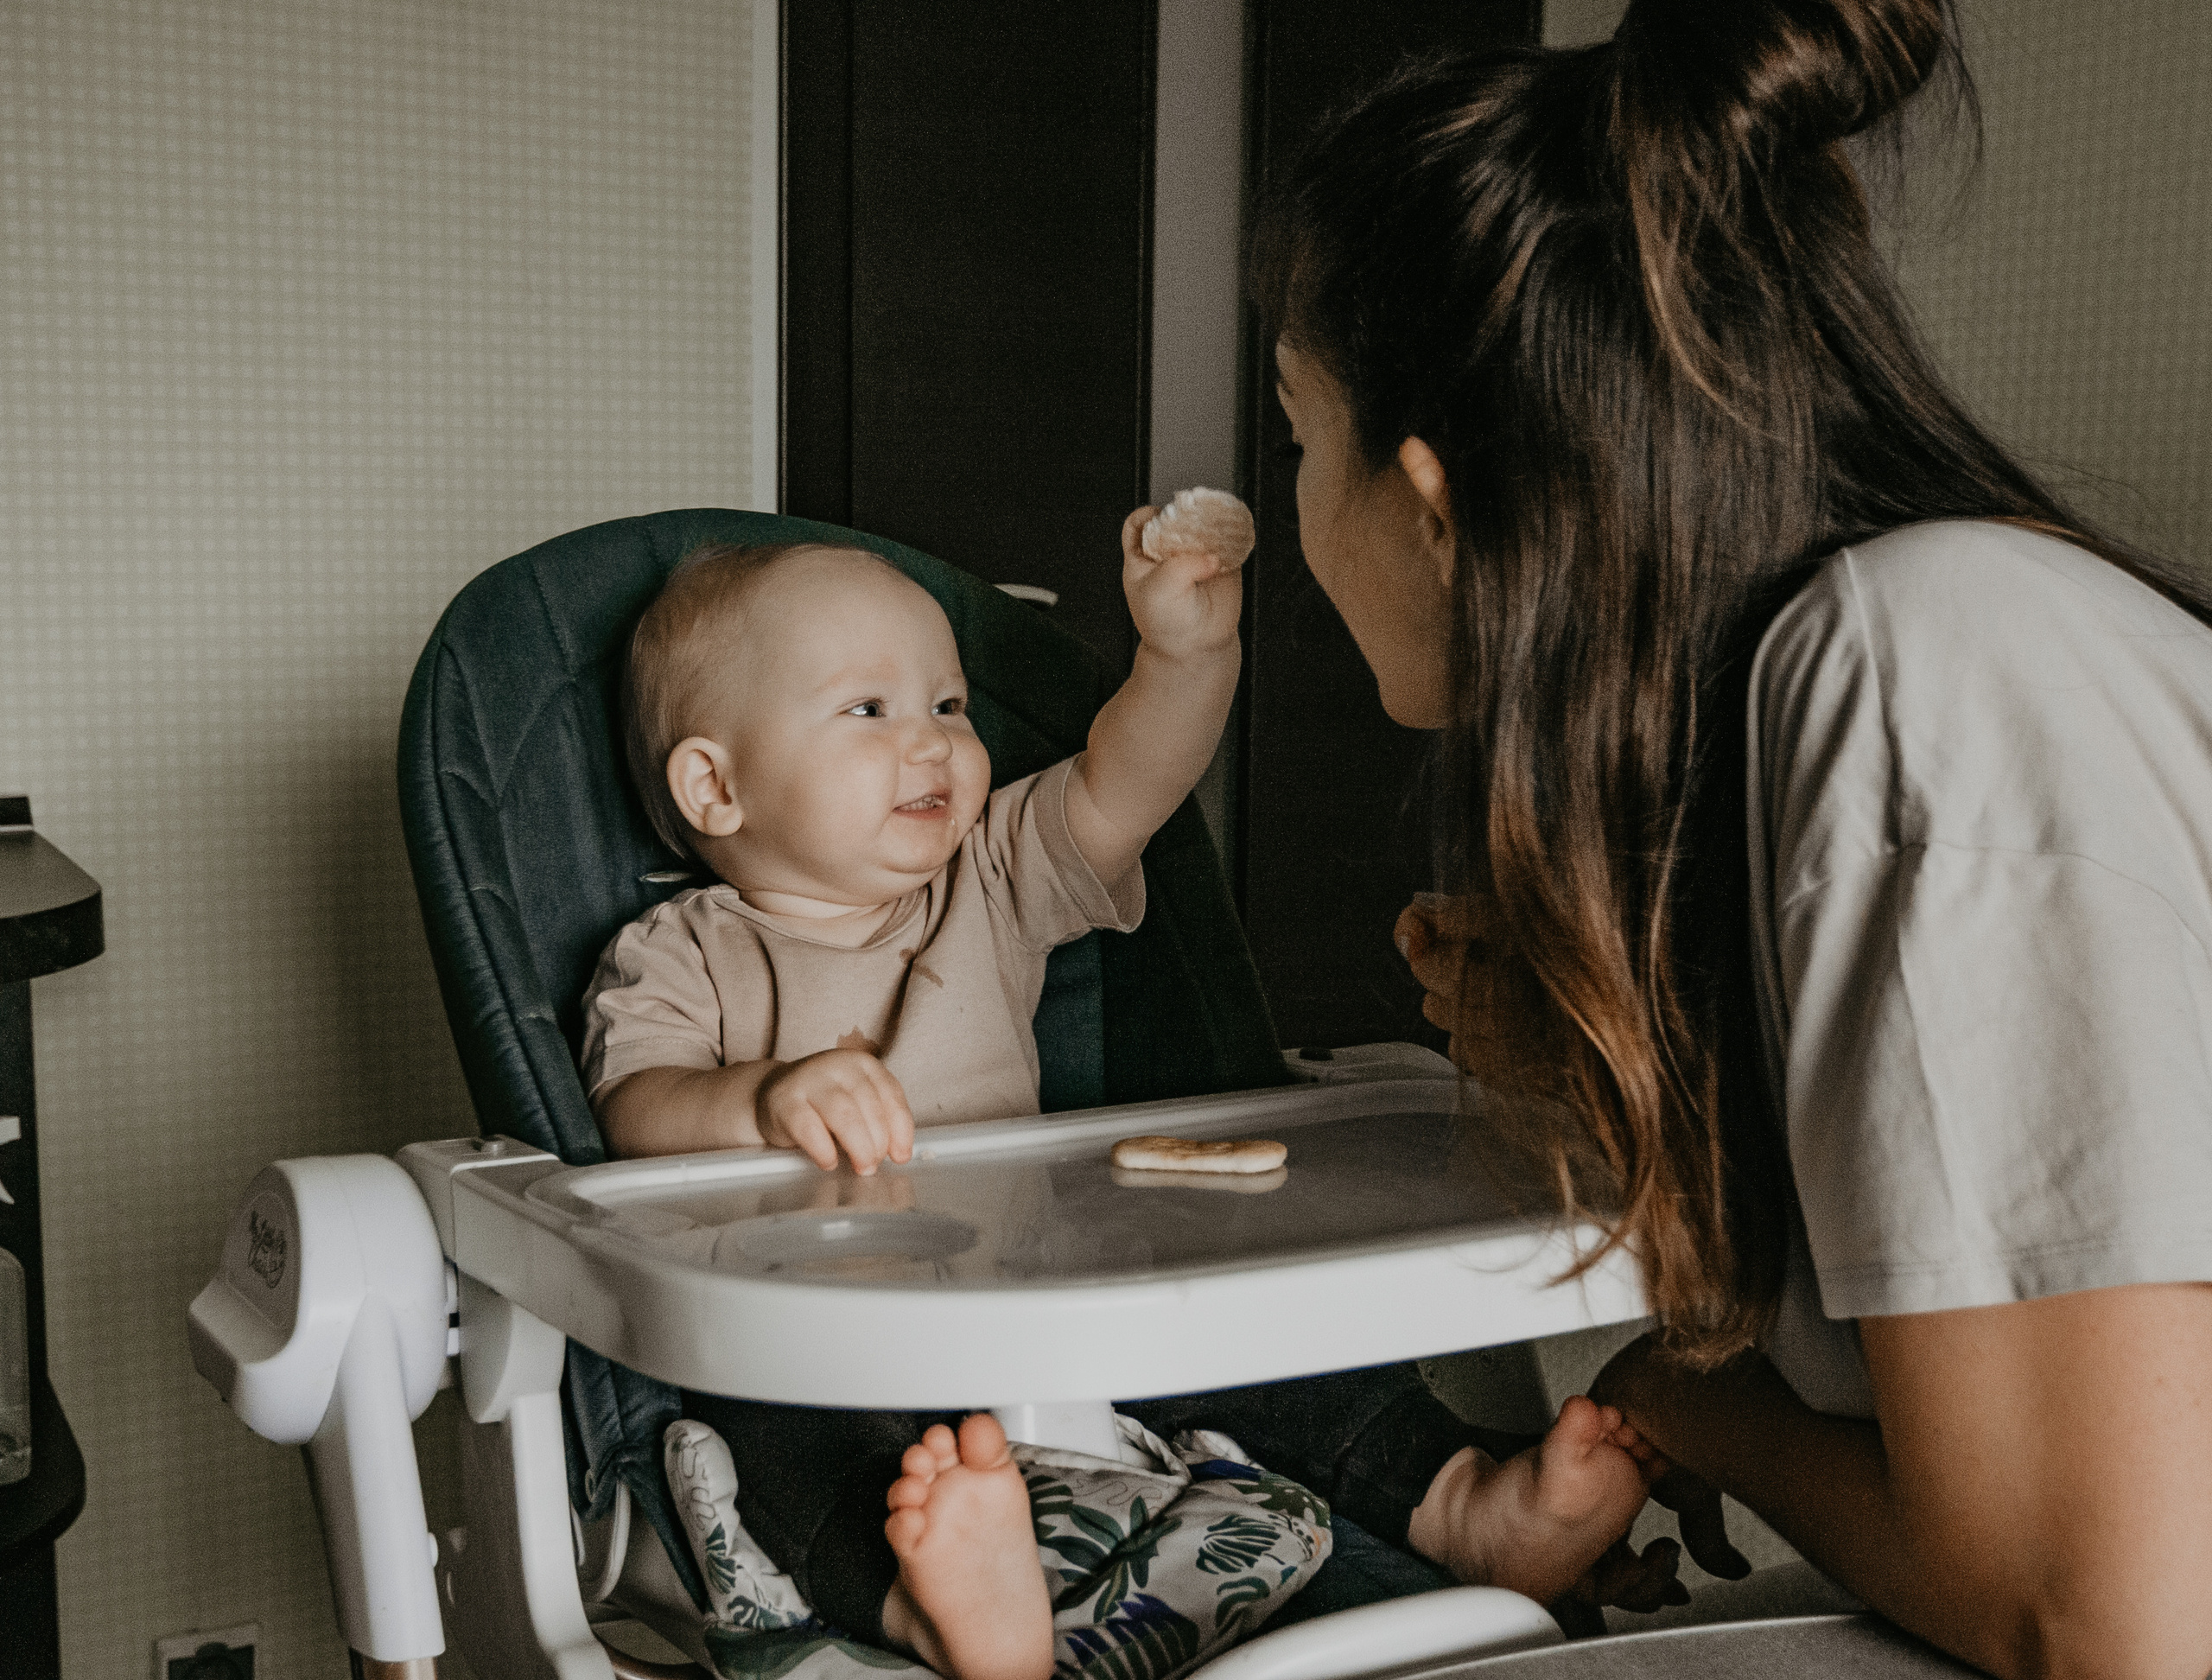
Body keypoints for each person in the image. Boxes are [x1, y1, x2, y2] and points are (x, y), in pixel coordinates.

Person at [1250, 1, 2212, 1675]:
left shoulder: (1925, 676)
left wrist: (1691, 1397)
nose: (1288, 507)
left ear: (1431, 499)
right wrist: (1604, 1061)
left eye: (1294, 434)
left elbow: (2118, 1623)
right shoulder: (1849, 701)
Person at [580, 533, 1676, 1679]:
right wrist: (761, 1098)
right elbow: (634, 1106)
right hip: (829, 1336)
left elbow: (1127, 784)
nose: (934, 740)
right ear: (715, 786)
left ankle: (1460, 1504)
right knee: (779, 1444)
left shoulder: (990, 873)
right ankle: (937, 1610)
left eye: (950, 704)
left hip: (1048, 1289)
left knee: (1257, 1331)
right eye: (868, 709)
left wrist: (1186, 656)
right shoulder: (682, 952)